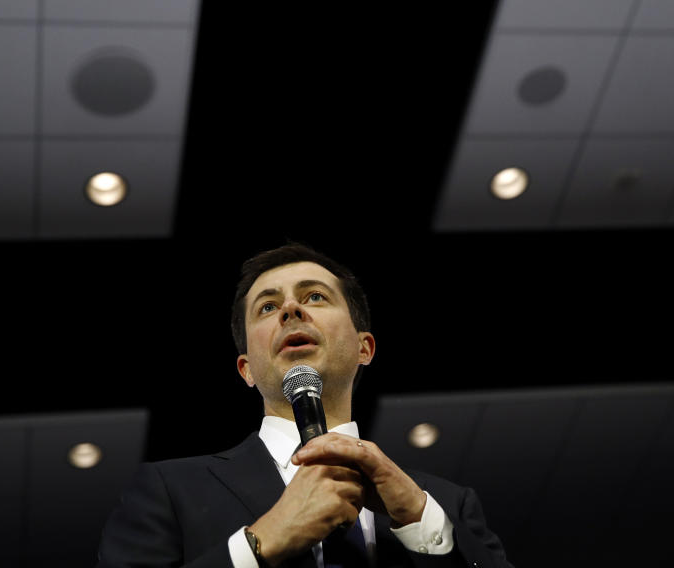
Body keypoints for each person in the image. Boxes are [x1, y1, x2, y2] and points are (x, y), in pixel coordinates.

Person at [96, 243, 513, 568]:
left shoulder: (443, 503)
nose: (291, 310)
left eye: (315, 297)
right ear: (246, 370)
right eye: (268, 307)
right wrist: (260, 543)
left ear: (364, 347)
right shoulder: (167, 490)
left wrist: (421, 522)